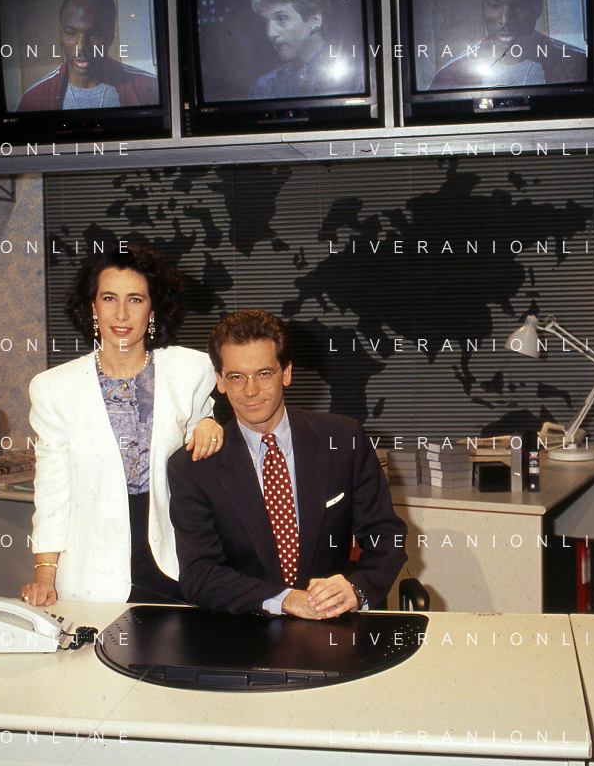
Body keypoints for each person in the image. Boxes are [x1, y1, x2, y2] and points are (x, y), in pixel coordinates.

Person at [167, 309, 407, 618]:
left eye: (264, 374)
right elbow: (199, 574)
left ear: (287, 373)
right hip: (245, 627)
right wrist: (285, 600)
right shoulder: (193, 467)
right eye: (236, 377)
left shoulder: (343, 439)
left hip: (334, 622)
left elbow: (386, 536)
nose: (250, 390)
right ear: (220, 381)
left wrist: (357, 589)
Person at [20, 245, 223, 606]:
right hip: (92, 570)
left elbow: (204, 433)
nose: (122, 314)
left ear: (153, 308)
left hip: (174, 560)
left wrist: (210, 422)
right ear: (93, 306)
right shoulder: (54, 388)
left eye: (136, 299)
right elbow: (52, 490)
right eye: (109, 298)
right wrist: (44, 576)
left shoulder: (193, 370)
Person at [428, 0, 587, 90]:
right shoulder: (449, 77)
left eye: (519, 6)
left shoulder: (577, 65)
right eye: (494, 5)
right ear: (483, 6)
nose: (505, 20)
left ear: (537, 7)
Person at [16, 0, 159, 111]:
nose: (81, 47)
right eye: (71, 33)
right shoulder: (33, 99)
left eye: (94, 34)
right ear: (61, 35)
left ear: (111, 35)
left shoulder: (148, 88)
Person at [249, 0, 365, 99]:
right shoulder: (265, 87)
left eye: (281, 19)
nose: (271, 33)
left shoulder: (359, 74)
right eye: (266, 22)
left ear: (314, 19)